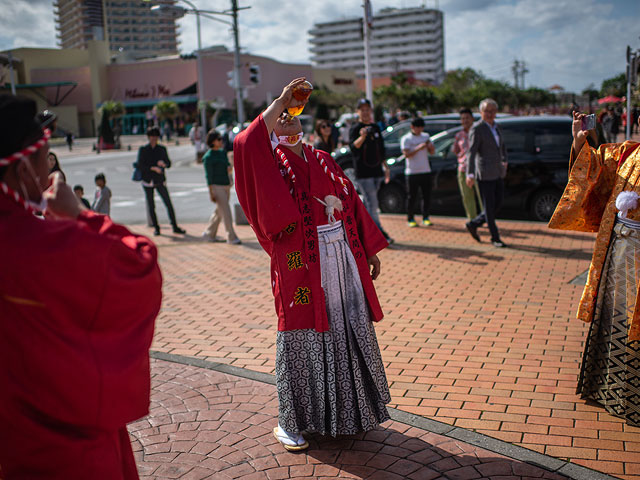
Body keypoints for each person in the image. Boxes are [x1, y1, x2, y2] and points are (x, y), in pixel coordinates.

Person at [0, 94, 162, 479]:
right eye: (46, 157)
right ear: (23, 169)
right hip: (69, 448)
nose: (51, 168)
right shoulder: (44, 246)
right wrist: (80, 216)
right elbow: (140, 267)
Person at [234, 78, 391, 451]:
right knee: (301, 335)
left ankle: (347, 414)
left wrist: (368, 249)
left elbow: (351, 202)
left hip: (340, 260)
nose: (288, 118)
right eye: (280, 117)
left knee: (343, 329)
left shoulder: (322, 158)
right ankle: (292, 420)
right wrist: (279, 100)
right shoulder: (272, 161)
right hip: (301, 264)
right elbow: (244, 144)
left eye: (292, 116)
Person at [548, 111, 640, 427]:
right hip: (617, 250)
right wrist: (580, 138)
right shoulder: (626, 152)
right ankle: (607, 389)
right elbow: (593, 171)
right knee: (613, 314)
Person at [465, 98, 508, 248]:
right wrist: (469, 174)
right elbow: (471, 153)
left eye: (492, 111)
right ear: (481, 112)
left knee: (498, 203)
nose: (489, 114)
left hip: (497, 171)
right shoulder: (477, 128)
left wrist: (505, 161)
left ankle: (474, 223)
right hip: (484, 172)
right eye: (486, 111)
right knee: (489, 207)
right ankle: (495, 237)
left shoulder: (497, 127)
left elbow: (502, 147)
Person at [349, 98, 393, 243]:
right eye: (362, 109)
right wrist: (362, 136)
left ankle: (365, 233)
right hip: (363, 173)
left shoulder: (375, 127)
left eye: (368, 109)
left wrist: (386, 167)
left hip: (377, 172)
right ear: (358, 112)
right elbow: (353, 148)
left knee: (370, 204)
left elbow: (381, 149)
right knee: (373, 204)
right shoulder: (355, 128)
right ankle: (380, 234)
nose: (365, 112)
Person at [137, 126, 186, 236]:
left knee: (168, 203)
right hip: (148, 180)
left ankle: (174, 226)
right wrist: (153, 168)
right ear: (148, 137)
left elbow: (168, 163)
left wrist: (164, 164)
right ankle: (156, 228)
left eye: (156, 136)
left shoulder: (162, 149)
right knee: (151, 205)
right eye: (152, 136)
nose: (154, 138)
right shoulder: (144, 150)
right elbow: (140, 165)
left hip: (160, 180)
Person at [202, 129, 240, 244]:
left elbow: (228, 166)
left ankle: (209, 234)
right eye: (218, 139)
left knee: (219, 211)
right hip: (216, 186)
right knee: (226, 211)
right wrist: (211, 192)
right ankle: (231, 237)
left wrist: (229, 169)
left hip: (226, 185)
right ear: (212, 141)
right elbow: (208, 176)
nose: (221, 141)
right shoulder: (208, 157)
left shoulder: (222, 152)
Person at [400, 117, 435, 227]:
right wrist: (419, 148)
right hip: (412, 172)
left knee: (426, 196)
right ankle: (410, 218)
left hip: (425, 170)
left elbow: (432, 152)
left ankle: (426, 217)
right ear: (412, 127)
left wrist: (430, 147)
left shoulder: (426, 136)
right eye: (417, 128)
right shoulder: (406, 139)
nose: (419, 130)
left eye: (421, 127)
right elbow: (406, 154)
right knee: (412, 196)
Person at [453, 108, 482, 220]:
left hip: (478, 169)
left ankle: (486, 219)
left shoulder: (478, 132)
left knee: (482, 197)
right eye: (463, 118)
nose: (465, 121)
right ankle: (472, 220)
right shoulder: (459, 135)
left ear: (472, 119)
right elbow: (455, 150)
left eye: (467, 118)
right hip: (463, 169)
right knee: (467, 197)